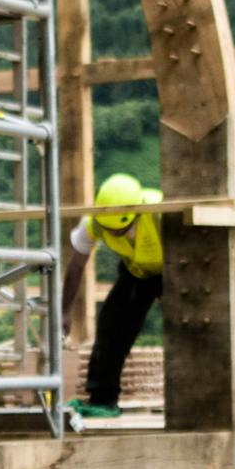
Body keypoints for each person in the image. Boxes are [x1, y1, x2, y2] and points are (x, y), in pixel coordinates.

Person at [72, 170, 164, 416]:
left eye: (118, 230)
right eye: (108, 230)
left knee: (187, 328)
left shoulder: (159, 212)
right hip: (136, 271)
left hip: (174, 270)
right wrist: (64, 311)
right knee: (111, 327)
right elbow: (76, 265)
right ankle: (102, 399)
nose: (112, 234)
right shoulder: (94, 220)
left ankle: (191, 400)